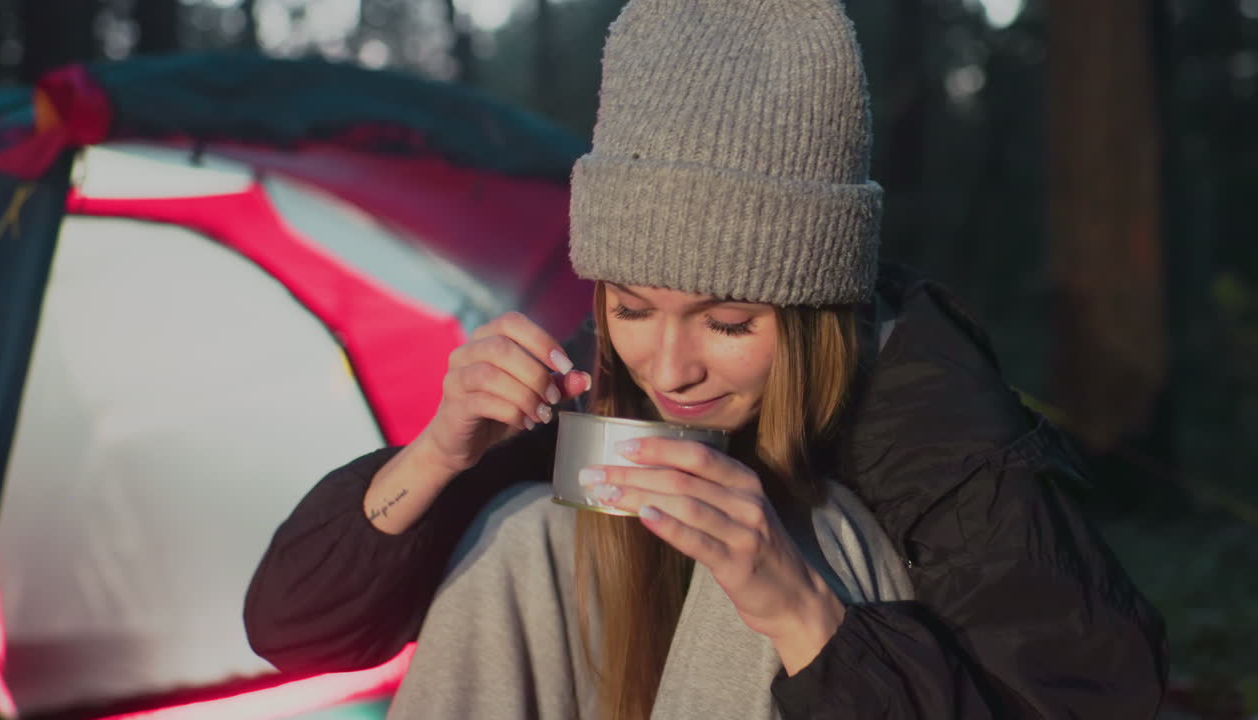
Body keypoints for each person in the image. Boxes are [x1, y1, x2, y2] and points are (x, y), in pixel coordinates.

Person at [244, 0, 1168, 717]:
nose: (669, 368)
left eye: (728, 323)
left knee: (799, 527)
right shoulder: (603, 381)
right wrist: (441, 454)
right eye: (634, 307)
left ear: (811, 313)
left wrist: (804, 613)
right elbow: (291, 631)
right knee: (528, 529)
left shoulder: (945, 441)